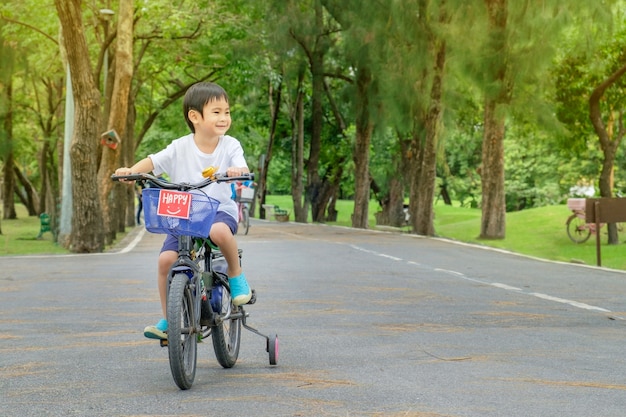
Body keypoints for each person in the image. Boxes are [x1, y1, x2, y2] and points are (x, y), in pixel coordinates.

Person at [114, 82, 252, 340]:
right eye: (217, 112)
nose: (224, 118)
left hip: (219, 210)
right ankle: (169, 320)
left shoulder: (230, 145)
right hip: (185, 214)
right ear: (195, 116)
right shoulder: (180, 147)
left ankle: (235, 274)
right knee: (166, 261)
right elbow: (154, 162)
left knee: (219, 231)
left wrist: (236, 172)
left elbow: (241, 167)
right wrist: (131, 170)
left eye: (227, 112)